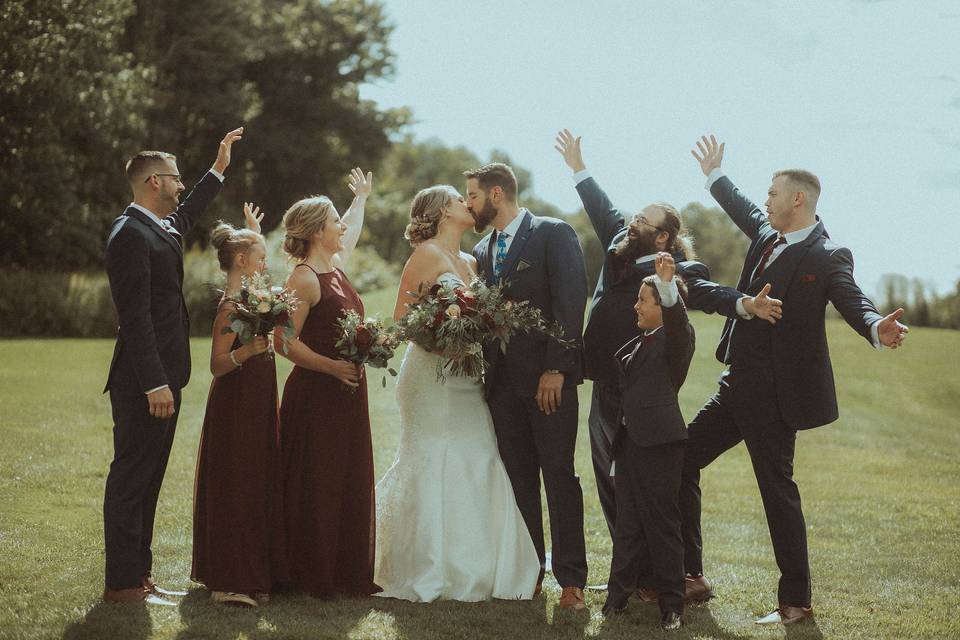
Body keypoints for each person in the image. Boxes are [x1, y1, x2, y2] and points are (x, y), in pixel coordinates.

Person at [682, 135, 909, 625]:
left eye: (774, 192)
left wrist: (875, 326)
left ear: (797, 199)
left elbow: (852, 298)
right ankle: (690, 575)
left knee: (776, 491)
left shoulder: (827, 254)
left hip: (776, 398)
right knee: (681, 460)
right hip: (734, 386)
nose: (767, 200)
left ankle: (795, 601)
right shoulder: (767, 236)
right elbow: (742, 207)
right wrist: (715, 175)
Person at [553, 129, 777, 548]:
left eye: (643, 220)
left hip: (640, 388)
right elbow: (600, 206)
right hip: (604, 380)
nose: (632, 222)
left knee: (637, 479)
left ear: (661, 237)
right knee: (605, 474)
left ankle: (654, 572)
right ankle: (627, 569)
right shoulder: (619, 246)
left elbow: (710, 296)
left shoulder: (677, 271)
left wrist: (746, 305)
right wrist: (578, 167)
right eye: (635, 216)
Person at [374, 185, 540, 602]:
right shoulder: (426, 255)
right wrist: (439, 345)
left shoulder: (469, 260)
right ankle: (430, 566)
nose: (468, 203)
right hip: (432, 376)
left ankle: (485, 564)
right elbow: (401, 319)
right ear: (442, 212)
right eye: (457, 199)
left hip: (468, 376)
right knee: (434, 455)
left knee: (480, 453)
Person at [102, 127, 242, 604]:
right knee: (131, 478)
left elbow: (188, 212)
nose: (181, 186)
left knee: (149, 480)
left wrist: (217, 169)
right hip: (146, 381)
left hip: (165, 378)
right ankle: (121, 584)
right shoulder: (128, 235)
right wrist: (154, 382)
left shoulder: (158, 228)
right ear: (153, 182)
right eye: (176, 178)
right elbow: (135, 317)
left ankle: (139, 577)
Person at [468, 163, 590, 610]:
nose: (469, 205)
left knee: (559, 476)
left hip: (548, 382)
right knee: (519, 481)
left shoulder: (552, 233)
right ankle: (530, 571)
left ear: (496, 194)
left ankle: (573, 581)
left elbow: (571, 301)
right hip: (502, 387)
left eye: (473, 197)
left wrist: (557, 368)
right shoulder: (482, 249)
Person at [275, 169, 379, 598]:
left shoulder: (334, 268)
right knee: (318, 481)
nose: (341, 227)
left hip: (348, 394)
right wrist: (332, 368)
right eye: (334, 220)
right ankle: (311, 573)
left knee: (348, 478)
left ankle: (345, 570)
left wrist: (361, 200)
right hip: (317, 394)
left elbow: (350, 232)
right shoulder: (302, 278)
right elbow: (282, 341)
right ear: (318, 230)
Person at [191, 204, 286, 607]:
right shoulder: (230, 306)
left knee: (256, 479)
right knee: (237, 481)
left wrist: (252, 231)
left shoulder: (253, 295)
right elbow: (216, 364)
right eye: (260, 257)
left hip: (258, 398)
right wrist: (247, 352)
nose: (267, 264)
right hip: (236, 404)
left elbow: (257, 271)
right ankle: (228, 579)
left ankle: (252, 571)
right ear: (242, 261)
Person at [601, 253, 694, 632]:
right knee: (628, 524)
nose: (636, 305)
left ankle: (672, 606)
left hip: (661, 444)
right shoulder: (639, 343)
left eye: (644, 300)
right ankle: (615, 599)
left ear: (662, 306)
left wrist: (667, 285)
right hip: (631, 444)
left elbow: (678, 319)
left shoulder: (675, 341)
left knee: (662, 525)